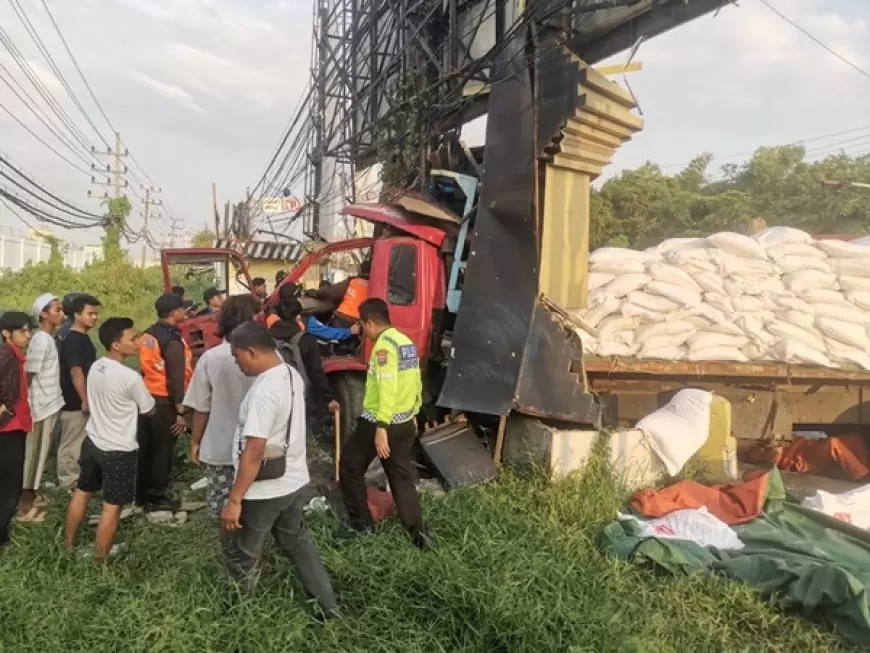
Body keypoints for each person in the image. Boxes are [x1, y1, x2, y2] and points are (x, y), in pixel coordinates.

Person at [223, 322, 338, 615]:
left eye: (238, 357)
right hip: (294, 481)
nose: (238, 364)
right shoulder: (289, 373)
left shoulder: (264, 391)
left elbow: (255, 449)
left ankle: (238, 618)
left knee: (243, 556)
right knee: (297, 544)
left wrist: (235, 500)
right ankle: (329, 607)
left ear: (252, 351)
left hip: (265, 490)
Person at [338, 298, 430, 548]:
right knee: (401, 478)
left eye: (362, 325)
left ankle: (362, 527)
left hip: (380, 422)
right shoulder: (405, 343)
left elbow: (388, 388)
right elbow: (415, 382)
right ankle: (418, 537)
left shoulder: (383, 347)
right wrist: (413, 413)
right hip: (404, 421)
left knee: (349, 466)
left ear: (369, 322)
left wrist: (381, 428)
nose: (363, 331)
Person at [64, 318, 155, 561]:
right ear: (116, 345)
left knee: (82, 492)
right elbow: (149, 410)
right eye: (132, 339)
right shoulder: (130, 377)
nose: (137, 342)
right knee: (112, 507)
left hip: (93, 440)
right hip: (119, 450)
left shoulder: (96, 366)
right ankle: (99, 561)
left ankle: (69, 545)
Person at [184, 295, 258, 525]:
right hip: (257, 447)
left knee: (224, 508)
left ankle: (233, 553)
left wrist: (196, 441)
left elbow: (201, 407)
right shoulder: (267, 357)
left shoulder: (210, 358)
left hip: (220, 447)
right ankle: (254, 554)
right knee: (255, 506)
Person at [137, 293, 193, 519]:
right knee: (162, 450)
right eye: (182, 309)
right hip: (165, 401)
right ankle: (157, 495)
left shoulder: (148, 335)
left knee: (148, 447)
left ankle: (142, 492)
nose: (186, 312)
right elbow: (176, 378)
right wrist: (181, 411)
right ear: (173, 313)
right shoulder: (171, 340)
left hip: (148, 397)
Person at [18, 295, 65, 521]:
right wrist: (23, 404)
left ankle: (33, 495)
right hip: (40, 406)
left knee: (42, 453)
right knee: (34, 455)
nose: (61, 314)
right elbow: (29, 374)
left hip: (50, 402)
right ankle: (25, 508)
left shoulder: (48, 338)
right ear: (44, 315)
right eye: (57, 310)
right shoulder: (40, 340)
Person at [269, 297, 340, 431]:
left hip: (273, 394)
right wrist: (328, 398)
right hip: (299, 397)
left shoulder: (267, 337)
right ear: (298, 317)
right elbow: (316, 373)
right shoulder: (305, 340)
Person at [57, 294, 100, 490]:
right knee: (71, 442)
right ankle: (68, 482)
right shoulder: (73, 339)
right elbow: (76, 372)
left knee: (79, 441)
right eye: (90, 313)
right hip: (74, 400)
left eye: (96, 314)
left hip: (81, 398)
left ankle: (77, 478)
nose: (94, 317)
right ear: (76, 314)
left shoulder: (81, 337)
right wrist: (84, 399)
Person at [0, 312, 33, 548]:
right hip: (8, 428)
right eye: (22, 331)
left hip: (14, 425)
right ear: (6, 333)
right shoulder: (6, 356)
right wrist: (5, 414)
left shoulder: (14, 354)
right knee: (10, 485)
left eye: (28, 330)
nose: (27, 335)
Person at [312, 260, 370, 328]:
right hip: (361, 322)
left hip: (343, 318)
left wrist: (317, 292)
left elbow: (332, 292)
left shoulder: (353, 281)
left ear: (360, 270)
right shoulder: (376, 285)